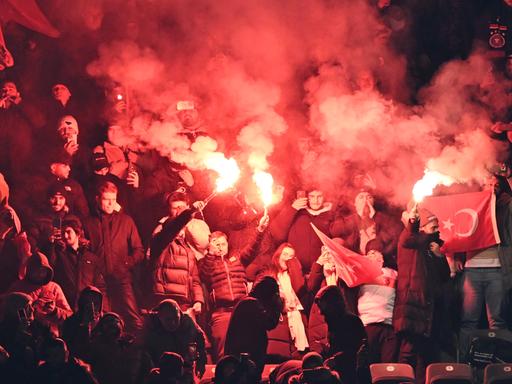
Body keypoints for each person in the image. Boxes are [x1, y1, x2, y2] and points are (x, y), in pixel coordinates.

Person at [198, 212, 268, 361]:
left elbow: (252, 248)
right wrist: (210, 254)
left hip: (242, 309)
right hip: (222, 313)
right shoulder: (206, 262)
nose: (220, 247)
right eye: (217, 244)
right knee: (224, 353)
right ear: (210, 246)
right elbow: (204, 274)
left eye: (223, 243)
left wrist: (260, 229)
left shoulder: (236, 258)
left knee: (247, 349)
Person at [393, 206, 450, 384]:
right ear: (423, 228)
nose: (437, 231)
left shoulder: (431, 248)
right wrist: (413, 221)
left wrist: (439, 257)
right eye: (433, 228)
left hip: (426, 308)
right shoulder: (409, 242)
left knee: (423, 355)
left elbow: (444, 277)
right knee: (408, 352)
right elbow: (409, 236)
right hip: (411, 305)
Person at [83, 181, 145, 334]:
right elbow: (84, 252)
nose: (111, 203)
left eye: (113, 199)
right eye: (106, 199)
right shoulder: (88, 222)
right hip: (99, 281)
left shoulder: (126, 221)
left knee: (133, 318)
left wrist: (125, 265)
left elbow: (139, 250)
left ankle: (138, 352)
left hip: (122, 279)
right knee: (100, 321)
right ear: (97, 199)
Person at [149, 192, 206, 312]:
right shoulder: (162, 238)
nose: (178, 211)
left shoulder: (187, 250)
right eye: (175, 208)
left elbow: (193, 277)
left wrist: (198, 300)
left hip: (184, 300)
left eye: (182, 208)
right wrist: (188, 212)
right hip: (164, 297)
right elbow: (172, 227)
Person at [224, 276, 283, 380]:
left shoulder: (247, 302)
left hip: (244, 361)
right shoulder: (251, 303)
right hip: (245, 364)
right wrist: (277, 306)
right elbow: (270, 323)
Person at [259, 243, 310, 360]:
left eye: (291, 256)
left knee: (299, 356)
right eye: (285, 254)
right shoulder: (268, 274)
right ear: (278, 255)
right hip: (279, 320)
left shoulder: (296, 276)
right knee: (281, 356)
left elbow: (301, 290)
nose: (287, 258)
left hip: (297, 317)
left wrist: (295, 268)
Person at [270, 188, 338, 273]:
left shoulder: (330, 215)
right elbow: (276, 233)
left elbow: (338, 238)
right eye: (312, 196)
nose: (315, 201)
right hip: (294, 270)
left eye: (319, 196)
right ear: (306, 197)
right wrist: (292, 209)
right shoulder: (296, 213)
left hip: (320, 270)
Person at [139, 299, 207, 382]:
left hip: (185, 370)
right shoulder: (151, 328)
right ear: (160, 317)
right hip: (161, 372)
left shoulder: (188, 323)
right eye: (168, 320)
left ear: (179, 314)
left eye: (176, 318)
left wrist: (201, 362)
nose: (173, 323)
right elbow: (144, 353)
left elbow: (200, 340)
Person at [7, 251, 72, 335]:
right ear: (30, 270)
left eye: (43, 270)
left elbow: (69, 316)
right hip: (24, 337)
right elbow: (5, 311)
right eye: (37, 270)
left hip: (49, 338)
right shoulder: (18, 287)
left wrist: (54, 311)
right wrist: (22, 315)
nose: (40, 273)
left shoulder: (54, 288)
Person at [50, 216, 106, 309]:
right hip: (66, 306)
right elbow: (51, 268)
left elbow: (100, 286)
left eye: (68, 232)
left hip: (87, 307)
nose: (65, 236)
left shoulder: (91, 258)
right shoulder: (59, 255)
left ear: (78, 233)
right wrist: (52, 245)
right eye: (63, 232)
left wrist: (102, 308)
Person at [314, 285, 367, 383]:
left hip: (350, 375)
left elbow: (355, 349)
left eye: (322, 306)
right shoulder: (334, 322)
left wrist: (335, 359)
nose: (320, 312)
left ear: (331, 304)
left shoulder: (351, 321)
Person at [86, 313, 152, 384]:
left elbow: (148, 369)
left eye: (115, 321)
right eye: (107, 322)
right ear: (101, 328)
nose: (112, 323)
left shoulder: (133, 346)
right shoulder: (96, 347)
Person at [30, 337, 98, 384]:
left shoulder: (78, 371)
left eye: (56, 355)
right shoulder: (42, 372)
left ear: (66, 354)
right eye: (49, 355)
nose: (53, 358)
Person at [62, 286, 104, 360]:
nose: (93, 307)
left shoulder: (104, 321)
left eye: (96, 303)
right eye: (88, 303)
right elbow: (72, 347)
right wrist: (85, 325)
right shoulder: (71, 322)